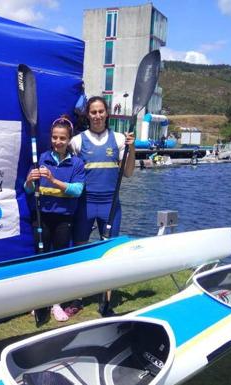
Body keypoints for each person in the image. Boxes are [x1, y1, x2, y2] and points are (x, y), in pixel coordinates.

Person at [69, 96, 135, 317]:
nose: (97, 116)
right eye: (93, 112)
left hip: (110, 204)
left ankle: (105, 300)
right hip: (85, 204)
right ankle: (77, 296)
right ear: (87, 115)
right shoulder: (77, 141)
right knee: (80, 249)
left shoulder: (118, 139)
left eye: (100, 112)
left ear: (107, 114)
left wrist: (131, 148)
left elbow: (128, 172)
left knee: (109, 252)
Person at [24, 116, 85, 326]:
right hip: (42, 216)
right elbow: (28, 190)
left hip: (63, 218)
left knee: (59, 261)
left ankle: (56, 302)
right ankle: (40, 301)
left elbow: (77, 191)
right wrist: (29, 181)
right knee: (41, 258)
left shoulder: (76, 163)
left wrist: (53, 180)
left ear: (69, 140)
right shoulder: (42, 158)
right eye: (55, 137)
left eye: (62, 138)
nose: (58, 141)